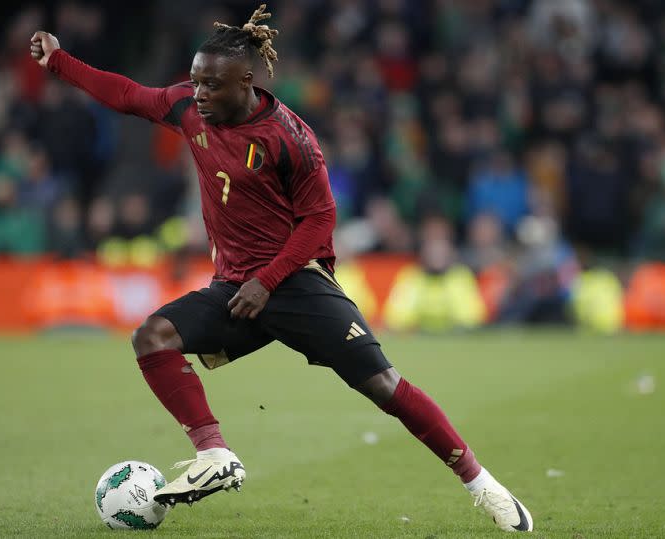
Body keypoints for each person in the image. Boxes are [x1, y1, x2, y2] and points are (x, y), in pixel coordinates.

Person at [31, 5, 532, 532]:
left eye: (211, 85)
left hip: (295, 283)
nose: (198, 93)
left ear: (245, 81)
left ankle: (484, 485)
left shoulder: (289, 136)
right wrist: (60, 61)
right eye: (195, 80)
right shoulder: (188, 106)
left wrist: (267, 281)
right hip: (233, 288)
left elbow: (321, 221)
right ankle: (214, 455)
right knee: (152, 336)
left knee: (384, 385)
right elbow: (129, 95)